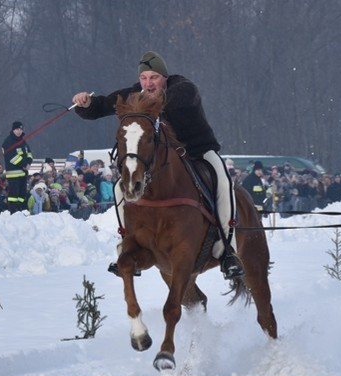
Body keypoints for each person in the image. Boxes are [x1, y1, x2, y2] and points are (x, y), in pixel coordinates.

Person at [71, 50, 244, 279]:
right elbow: (105, 105)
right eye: (144, 78)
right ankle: (128, 247)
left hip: (198, 152)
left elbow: (180, 98)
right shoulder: (136, 93)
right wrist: (87, 104)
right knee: (118, 188)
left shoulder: (183, 87)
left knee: (223, 182)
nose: (148, 83)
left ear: (164, 77)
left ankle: (227, 250)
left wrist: (151, 102)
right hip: (167, 160)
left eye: (153, 77)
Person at [1, 121, 33, 213]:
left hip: (23, 173)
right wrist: (24, 164)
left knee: (22, 193)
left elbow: (29, 153)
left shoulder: (23, 141)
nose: (19, 131)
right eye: (17, 129)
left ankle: (20, 209)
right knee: (13, 195)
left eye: (20, 129)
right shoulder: (8, 141)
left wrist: (29, 162)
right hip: (13, 174)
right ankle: (12, 211)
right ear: (13, 130)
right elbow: (12, 157)